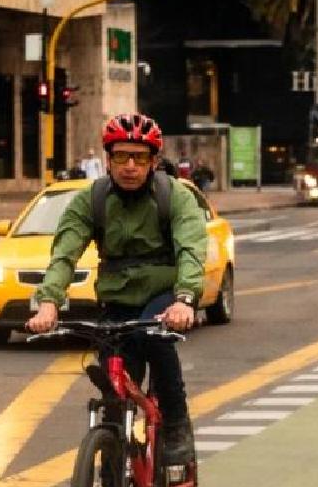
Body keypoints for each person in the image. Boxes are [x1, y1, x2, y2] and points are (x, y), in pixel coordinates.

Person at [26, 112, 208, 465]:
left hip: (164, 295)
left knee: (156, 338)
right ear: (107, 160)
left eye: (139, 157)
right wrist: (48, 303)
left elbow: (190, 250)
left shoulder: (176, 197)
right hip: (115, 299)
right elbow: (64, 254)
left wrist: (185, 301)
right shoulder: (90, 201)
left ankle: (175, 423)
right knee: (114, 386)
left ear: (153, 161)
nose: (129, 166)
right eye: (120, 156)